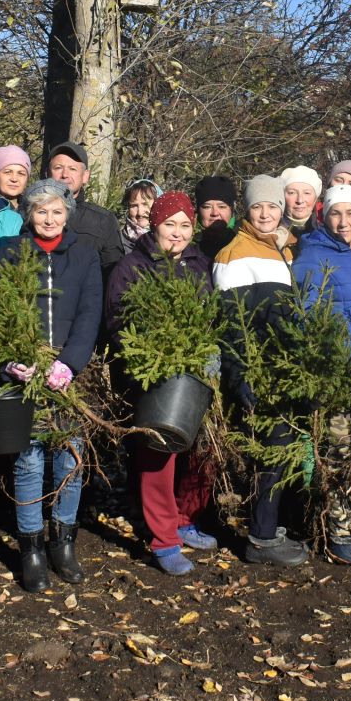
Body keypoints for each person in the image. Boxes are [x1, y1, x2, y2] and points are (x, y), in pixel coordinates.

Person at [105, 190, 220, 575]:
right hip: (149, 376)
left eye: (185, 225)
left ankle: (182, 521)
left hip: (194, 373)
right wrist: (152, 355)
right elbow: (118, 323)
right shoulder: (132, 266)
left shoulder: (199, 265)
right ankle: (163, 540)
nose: (177, 233)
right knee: (158, 452)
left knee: (194, 451)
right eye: (170, 224)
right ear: (155, 225)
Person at [0, 179, 103, 591]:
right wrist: (13, 358)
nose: (49, 219)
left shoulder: (84, 254)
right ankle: (31, 548)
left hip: (67, 373)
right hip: (25, 369)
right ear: (29, 213)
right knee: (28, 461)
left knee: (69, 458)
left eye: (57, 212)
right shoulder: (9, 250)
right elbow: (0, 307)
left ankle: (63, 542)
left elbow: (89, 312)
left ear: (68, 214)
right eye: (41, 211)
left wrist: (69, 363)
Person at [290, 184, 351, 565]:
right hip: (336, 371)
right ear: (323, 215)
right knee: (339, 449)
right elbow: (306, 315)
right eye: (336, 214)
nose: (344, 221)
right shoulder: (312, 255)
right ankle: (340, 531)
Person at [213, 174, 308, 565]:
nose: (266, 213)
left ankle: (272, 528)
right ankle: (261, 539)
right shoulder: (234, 254)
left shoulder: (283, 249)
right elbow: (230, 325)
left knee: (285, 450)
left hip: (287, 370)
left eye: (272, 206)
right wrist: (241, 374)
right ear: (246, 211)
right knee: (272, 452)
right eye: (257, 206)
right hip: (260, 372)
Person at [43, 142, 124, 270]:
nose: (64, 174)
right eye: (58, 168)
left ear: (85, 176)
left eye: (72, 169)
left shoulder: (103, 221)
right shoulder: (30, 214)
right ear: (47, 173)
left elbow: (113, 273)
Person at [194, 175, 237, 260]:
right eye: (207, 207)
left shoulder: (244, 241)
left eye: (222, 207)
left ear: (231, 210)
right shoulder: (186, 246)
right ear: (198, 211)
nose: (215, 213)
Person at [121, 178, 164, 254]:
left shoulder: (170, 240)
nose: (140, 212)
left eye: (145, 204)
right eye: (134, 206)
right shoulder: (118, 241)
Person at [279, 166, 322, 240]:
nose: (300, 200)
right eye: (292, 193)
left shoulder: (327, 230)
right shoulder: (269, 229)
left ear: (315, 198)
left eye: (307, 193)